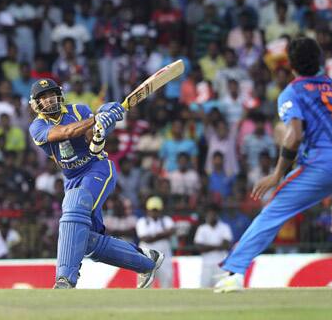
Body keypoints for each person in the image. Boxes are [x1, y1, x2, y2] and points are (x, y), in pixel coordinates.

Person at [215, 37, 332, 293]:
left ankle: (234, 272)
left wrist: (277, 173)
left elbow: (295, 134)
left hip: (321, 164)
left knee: (273, 212)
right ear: (321, 61)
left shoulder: (293, 91)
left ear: (291, 65)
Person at [28, 78, 164, 289]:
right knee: (87, 242)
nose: (49, 100)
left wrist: (103, 125)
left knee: (74, 206)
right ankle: (146, 261)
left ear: (60, 95)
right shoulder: (37, 126)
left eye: (52, 95)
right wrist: (96, 118)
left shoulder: (79, 110)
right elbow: (66, 132)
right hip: (72, 179)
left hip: (97, 169)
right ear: (36, 104)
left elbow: (94, 146)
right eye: (43, 98)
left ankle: (64, 280)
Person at [136, 196, 176, 288]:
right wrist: (163, 234)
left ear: (160, 210)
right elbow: (145, 239)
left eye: (156, 210)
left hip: (164, 258)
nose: (154, 212)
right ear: (147, 210)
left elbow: (172, 231)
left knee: (167, 284)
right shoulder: (142, 222)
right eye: (152, 210)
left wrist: (153, 236)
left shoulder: (166, 220)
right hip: (147, 257)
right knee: (145, 286)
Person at [194, 204, 233, 288]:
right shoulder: (202, 228)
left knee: (222, 289)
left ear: (216, 215)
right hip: (206, 265)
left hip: (221, 265)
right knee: (203, 290)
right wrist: (218, 246)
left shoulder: (224, 227)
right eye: (209, 214)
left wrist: (207, 246)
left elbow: (226, 245)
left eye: (213, 214)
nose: (211, 216)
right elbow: (199, 248)